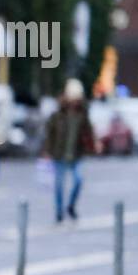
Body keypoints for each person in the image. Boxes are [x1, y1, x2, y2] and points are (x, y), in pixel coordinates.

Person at [43, 78, 95, 223]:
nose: (75, 101)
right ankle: (59, 212)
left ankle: (71, 206)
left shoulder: (83, 114)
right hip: (59, 154)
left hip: (76, 155)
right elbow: (49, 133)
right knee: (59, 185)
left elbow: (89, 132)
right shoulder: (58, 114)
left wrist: (92, 145)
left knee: (78, 180)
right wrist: (47, 150)